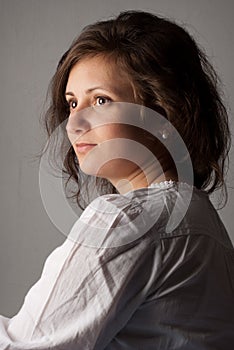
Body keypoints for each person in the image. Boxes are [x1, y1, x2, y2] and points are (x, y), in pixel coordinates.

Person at [0, 10, 234, 350]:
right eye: (72, 103)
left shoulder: (126, 220)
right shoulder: (202, 221)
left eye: (100, 100)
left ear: (164, 113)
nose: (74, 123)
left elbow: (25, 345)